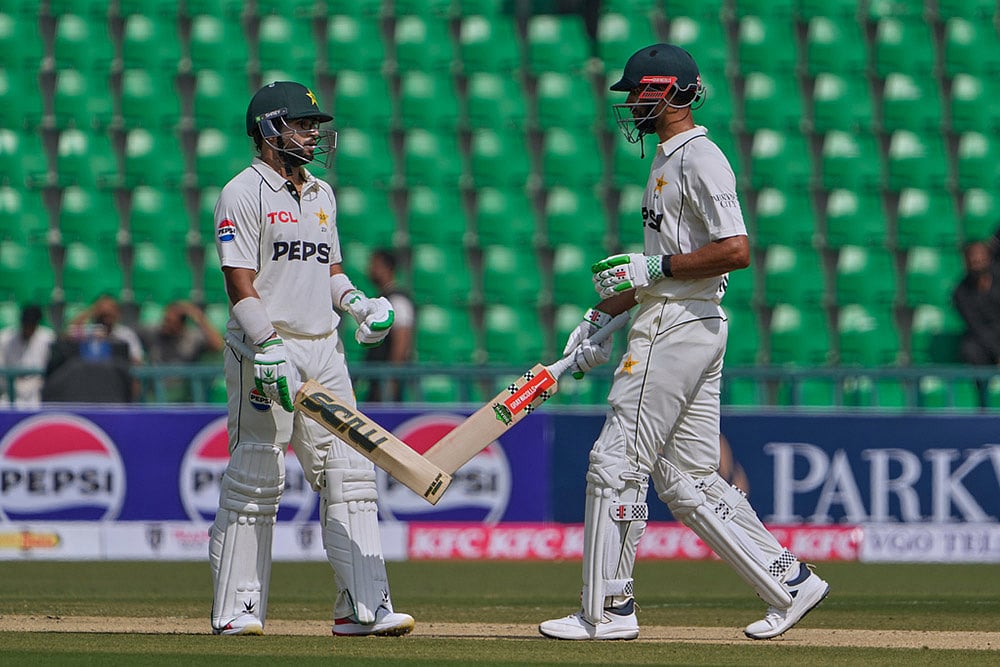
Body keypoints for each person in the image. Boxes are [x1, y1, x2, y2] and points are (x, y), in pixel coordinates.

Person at [538, 44, 829, 642]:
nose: (630, 104)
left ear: (669, 92)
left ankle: (607, 610)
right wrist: (601, 315)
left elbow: (736, 250)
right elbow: (661, 268)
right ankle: (789, 581)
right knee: (687, 477)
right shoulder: (667, 159)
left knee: (615, 463)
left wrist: (655, 270)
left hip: (676, 326)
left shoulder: (700, 158)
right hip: (680, 319)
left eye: (638, 93)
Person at [209, 80, 412, 638]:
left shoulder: (322, 193)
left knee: (351, 471)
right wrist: (267, 344)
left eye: (314, 126)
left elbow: (330, 269)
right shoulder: (241, 192)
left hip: (325, 347)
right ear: (269, 129)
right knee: (258, 472)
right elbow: (239, 281)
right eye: (301, 125)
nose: (313, 135)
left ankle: (363, 607)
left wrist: (358, 303)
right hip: (266, 347)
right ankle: (237, 609)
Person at [139, 301, 226, 401]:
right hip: (156, 396)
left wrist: (199, 317)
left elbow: (218, 346)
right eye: (165, 319)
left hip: (185, 397)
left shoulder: (192, 337)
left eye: (170, 322)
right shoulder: (152, 333)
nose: (165, 325)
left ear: (181, 324)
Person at [952, 239, 1000, 405]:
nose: (977, 260)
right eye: (973, 257)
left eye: (981, 255)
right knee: (971, 348)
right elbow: (977, 328)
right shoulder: (960, 293)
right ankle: (984, 399)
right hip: (986, 342)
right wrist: (998, 353)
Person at [363, 249, 414, 402]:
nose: (370, 269)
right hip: (377, 379)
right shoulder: (381, 299)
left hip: (386, 383)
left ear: (388, 268)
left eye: (375, 265)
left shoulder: (397, 300)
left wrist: (392, 380)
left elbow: (402, 341)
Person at [0, 304, 56, 407]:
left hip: (37, 391)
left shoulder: (48, 339)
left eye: (32, 325)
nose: (28, 328)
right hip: (11, 391)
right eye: (26, 324)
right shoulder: (5, 339)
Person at [68, 294, 145, 365]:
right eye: (104, 314)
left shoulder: (126, 334)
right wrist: (92, 311)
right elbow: (68, 334)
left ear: (118, 313)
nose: (108, 312)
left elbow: (138, 360)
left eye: (111, 311)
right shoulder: (89, 331)